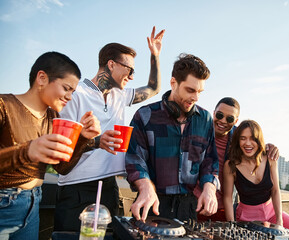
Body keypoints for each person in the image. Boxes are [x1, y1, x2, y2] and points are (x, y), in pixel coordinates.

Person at [54, 26, 165, 232]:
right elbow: (62, 157)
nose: (131, 77)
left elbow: (153, 88)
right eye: (129, 70)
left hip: (108, 188)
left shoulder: (120, 95)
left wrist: (155, 55)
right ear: (111, 64)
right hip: (77, 190)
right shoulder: (77, 94)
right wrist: (95, 142)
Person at [0, 52, 101, 240]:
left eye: (73, 92)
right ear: (42, 78)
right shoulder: (3, 104)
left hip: (32, 205)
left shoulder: (52, 118)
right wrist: (27, 151)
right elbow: (27, 152)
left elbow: (61, 168)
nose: (70, 97)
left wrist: (82, 139)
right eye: (66, 88)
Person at [125, 53, 219, 222]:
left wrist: (209, 188)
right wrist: (145, 186)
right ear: (173, 83)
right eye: (190, 90)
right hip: (152, 204)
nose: (195, 98)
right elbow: (134, 159)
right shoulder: (145, 116)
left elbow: (210, 162)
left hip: (188, 208)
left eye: (199, 92)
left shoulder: (204, 119)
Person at [223, 120, 289, 240]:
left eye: (253, 138)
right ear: (238, 141)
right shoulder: (231, 165)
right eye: (243, 138)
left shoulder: (270, 158)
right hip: (246, 218)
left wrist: (279, 221)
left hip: (272, 214)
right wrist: (232, 225)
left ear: (259, 140)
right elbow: (228, 197)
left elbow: (275, 190)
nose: (248, 143)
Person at [193, 97, 279, 222]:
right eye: (220, 115)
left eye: (229, 119)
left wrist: (268, 147)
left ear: (235, 121)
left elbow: (253, 144)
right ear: (214, 113)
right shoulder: (199, 132)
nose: (223, 121)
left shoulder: (238, 138)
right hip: (196, 203)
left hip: (221, 207)